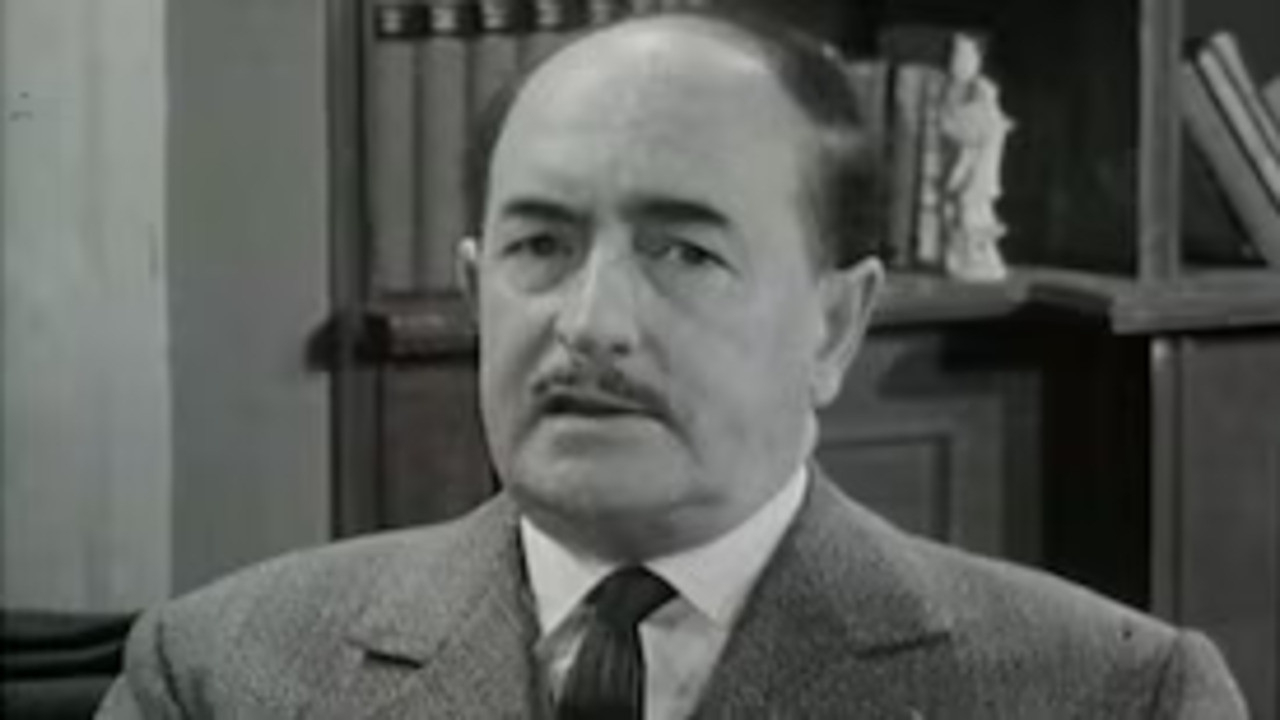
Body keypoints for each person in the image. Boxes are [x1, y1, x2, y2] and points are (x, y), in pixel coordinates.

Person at [97, 11, 1246, 719]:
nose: (590, 324)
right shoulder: (216, 677)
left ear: (833, 326)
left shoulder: (1111, 697)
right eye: (540, 246)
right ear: (474, 292)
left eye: (684, 252)